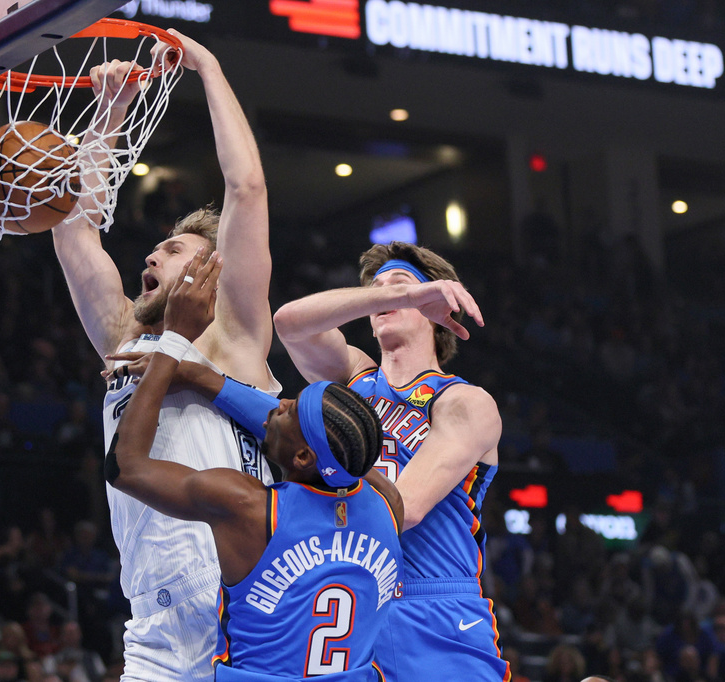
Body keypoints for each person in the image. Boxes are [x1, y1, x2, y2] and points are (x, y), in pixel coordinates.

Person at [52, 30, 276, 682]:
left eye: (175, 249)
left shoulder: (234, 335)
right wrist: (111, 109)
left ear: (213, 270)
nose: (152, 253)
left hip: (244, 606)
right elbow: (73, 232)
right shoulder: (125, 339)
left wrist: (207, 65)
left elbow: (249, 188)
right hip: (153, 622)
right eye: (154, 247)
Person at [103, 252, 403, 680]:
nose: (276, 404)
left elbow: (125, 468)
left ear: (303, 458)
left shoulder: (248, 507)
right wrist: (199, 377)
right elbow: (338, 452)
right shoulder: (387, 502)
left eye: (289, 411)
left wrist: (173, 344)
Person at [272, 242, 507, 680]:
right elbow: (288, 323)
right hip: (354, 602)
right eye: (376, 290)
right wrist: (394, 295)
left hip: (434, 606)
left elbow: (405, 507)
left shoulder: (464, 401)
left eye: (404, 286)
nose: (387, 294)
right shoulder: (354, 379)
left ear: (438, 307)